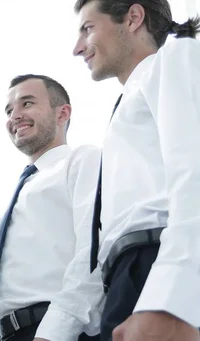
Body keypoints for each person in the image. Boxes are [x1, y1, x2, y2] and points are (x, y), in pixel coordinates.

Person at [72, 1, 200, 340]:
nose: (77, 48)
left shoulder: (175, 61)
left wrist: (170, 302)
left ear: (133, 18)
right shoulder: (123, 111)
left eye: (87, 28)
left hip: (157, 266)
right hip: (124, 281)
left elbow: (194, 174)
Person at [0, 74, 103, 341]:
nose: (15, 116)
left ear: (62, 114)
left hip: (54, 330)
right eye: (9, 110)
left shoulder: (83, 161)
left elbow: (92, 253)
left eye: (27, 103)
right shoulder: (4, 214)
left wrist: (54, 332)